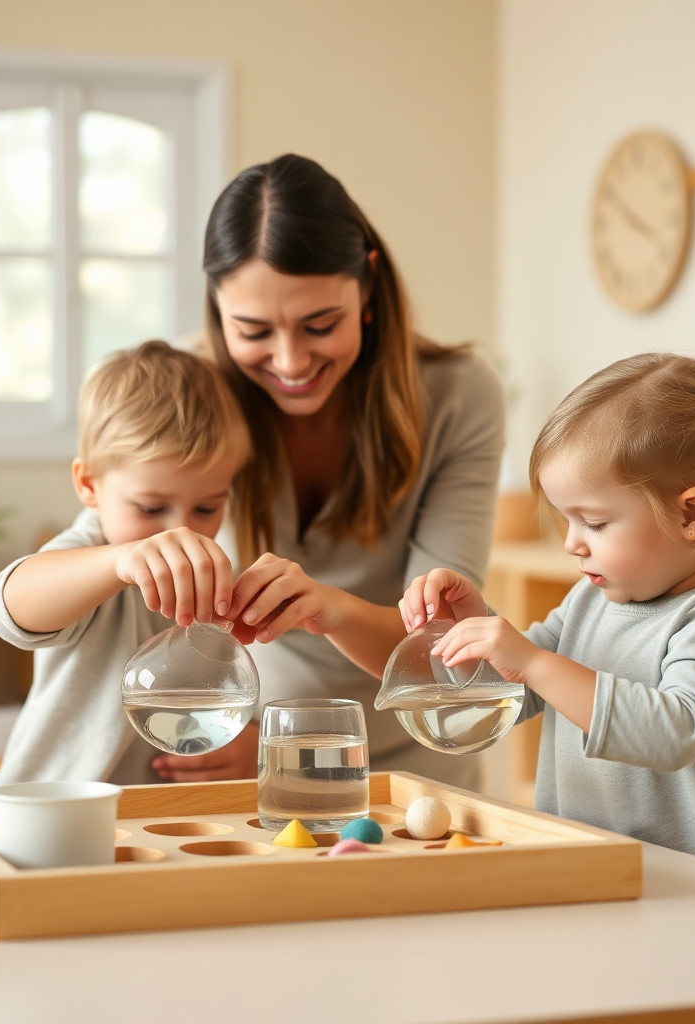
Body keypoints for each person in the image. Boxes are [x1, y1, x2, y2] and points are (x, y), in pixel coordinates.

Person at [151, 154, 505, 790]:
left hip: (413, 762)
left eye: (321, 325)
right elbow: (112, 556)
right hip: (250, 753)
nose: (290, 361)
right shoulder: (183, 385)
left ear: (367, 286)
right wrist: (234, 730)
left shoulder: (459, 394)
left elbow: (443, 646)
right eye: (253, 330)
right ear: (216, 306)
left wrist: (331, 609)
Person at [400, 353, 695, 880]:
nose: (572, 544)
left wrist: (534, 662)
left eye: (593, 522)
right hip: (592, 867)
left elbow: (673, 732)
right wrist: (470, 627)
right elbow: (516, 692)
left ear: (692, 515)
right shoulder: (591, 600)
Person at [0, 341, 251, 785]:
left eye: (206, 509)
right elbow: (11, 606)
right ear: (89, 484)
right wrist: (120, 561)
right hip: (52, 818)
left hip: (152, 824)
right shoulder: (87, 550)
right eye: (150, 509)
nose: (180, 531)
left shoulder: (210, 568)